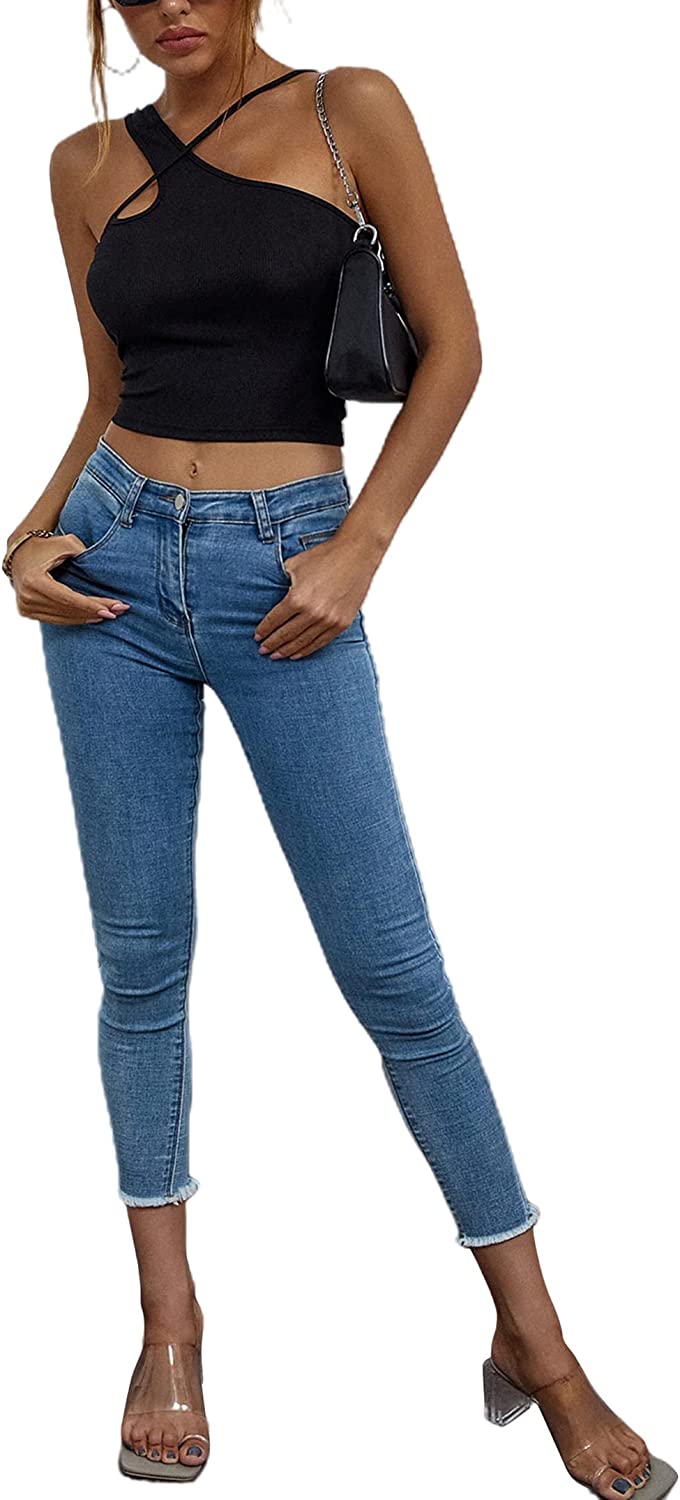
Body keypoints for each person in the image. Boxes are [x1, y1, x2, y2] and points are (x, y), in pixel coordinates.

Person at [3, 3, 672, 1493]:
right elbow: (108, 392)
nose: (168, 7)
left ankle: (539, 1346)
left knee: (396, 978)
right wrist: (24, 539)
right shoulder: (81, 163)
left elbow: (457, 348)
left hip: (289, 563)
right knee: (140, 965)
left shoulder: (346, 108)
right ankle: (168, 1328)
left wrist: (361, 544)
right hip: (109, 572)